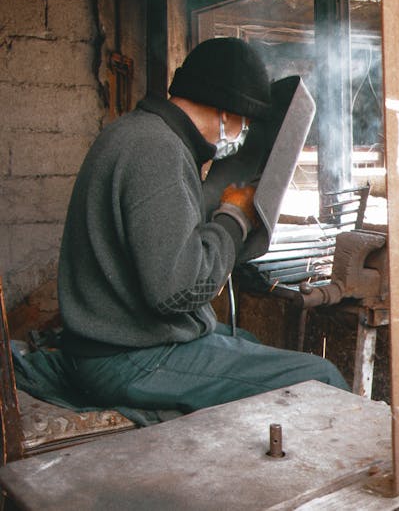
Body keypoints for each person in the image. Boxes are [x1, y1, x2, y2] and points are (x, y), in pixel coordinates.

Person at [57, 37, 349, 414]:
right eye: (245, 121)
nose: (243, 131)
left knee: (242, 339)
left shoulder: (139, 134)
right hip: (127, 359)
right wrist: (233, 216)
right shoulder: (156, 151)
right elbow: (178, 290)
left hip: (108, 348)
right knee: (320, 377)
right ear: (227, 112)